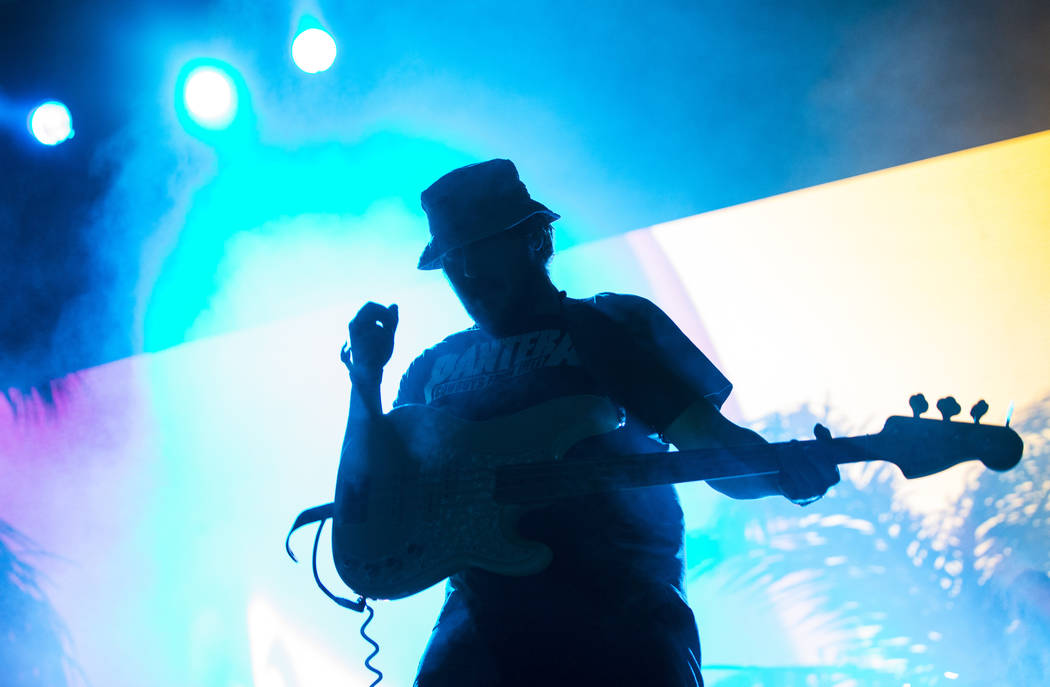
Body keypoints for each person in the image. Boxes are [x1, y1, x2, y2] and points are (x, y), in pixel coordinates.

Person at [334, 159, 840, 686]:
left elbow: (711, 446)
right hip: (480, 636)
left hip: (621, 624)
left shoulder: (612, 327)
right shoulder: (430, 369)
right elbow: (372, 497)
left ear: (534, 240)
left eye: (480, 249)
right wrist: (364, 383)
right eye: (453, 258)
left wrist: (787, 475)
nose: (466, 274)